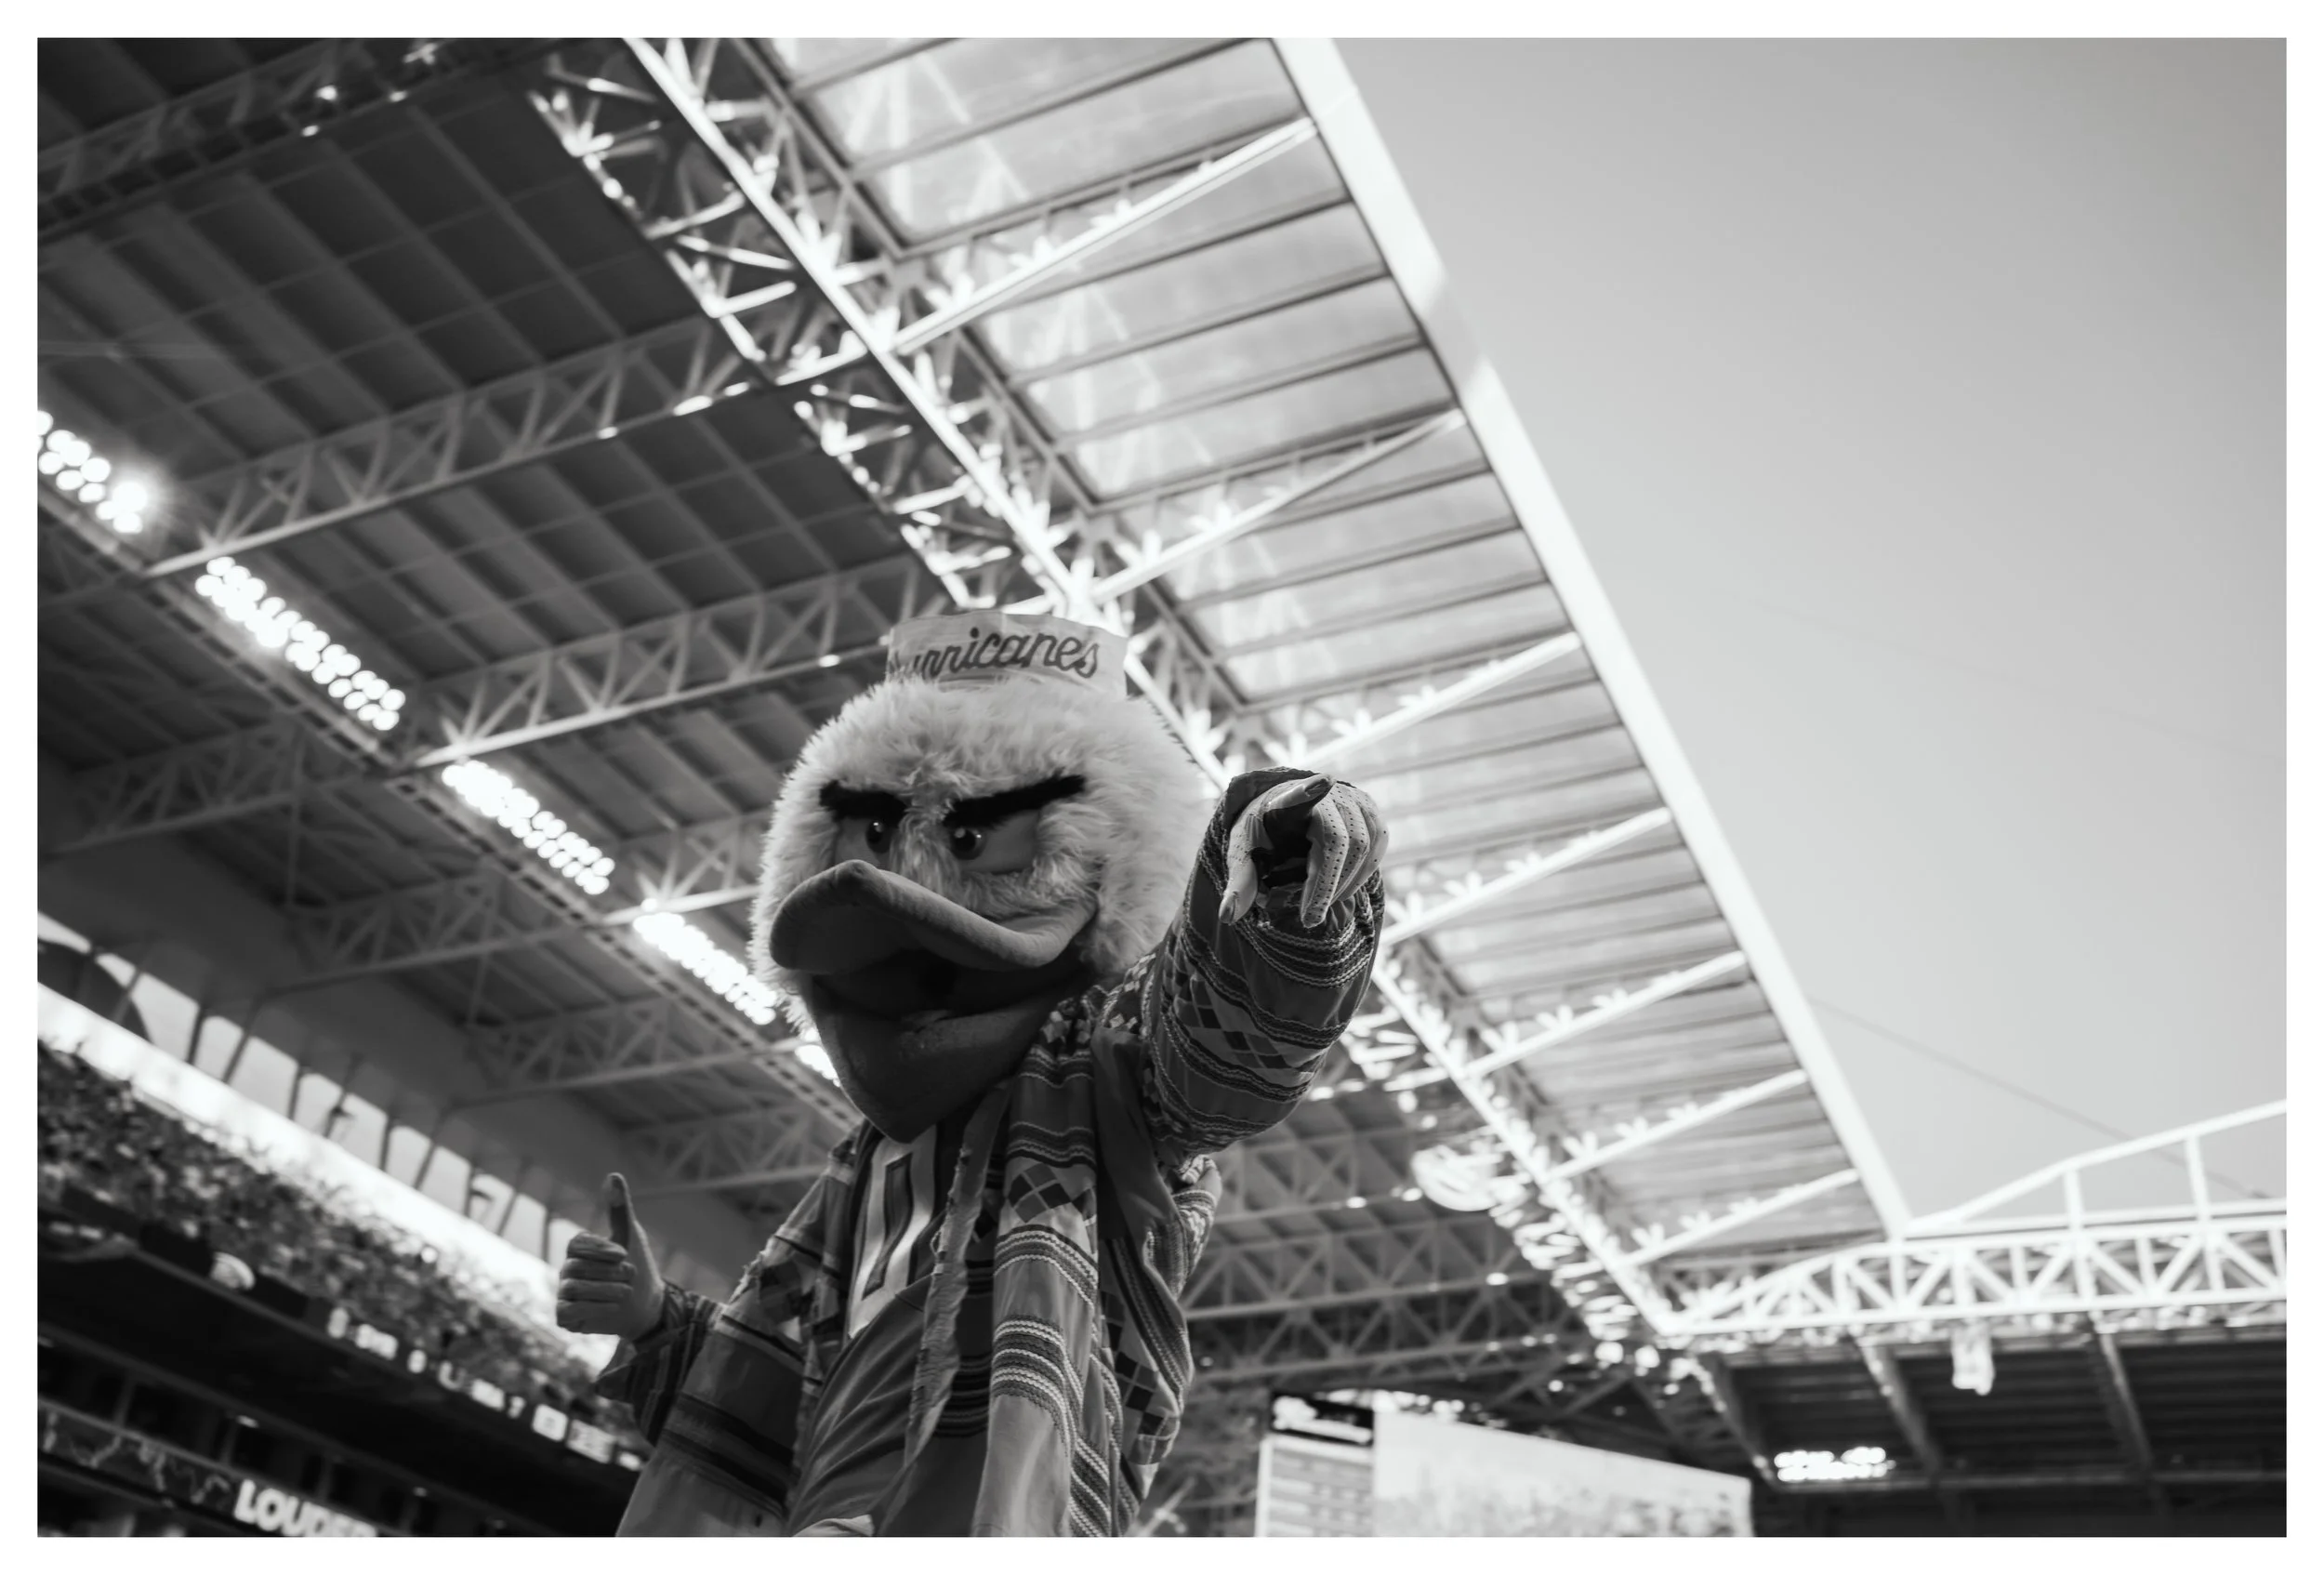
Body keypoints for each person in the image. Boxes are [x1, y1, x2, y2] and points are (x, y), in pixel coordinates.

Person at [557, 611, 1386, 1536]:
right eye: (873, 838)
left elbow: (1225, 1048)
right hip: (837, 1507)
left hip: (1004, 1497)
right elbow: (774, 1396)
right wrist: (656, 1324)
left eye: (976, 843)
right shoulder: (863, 1163)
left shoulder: (1107, 1072)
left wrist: (1278, 896)